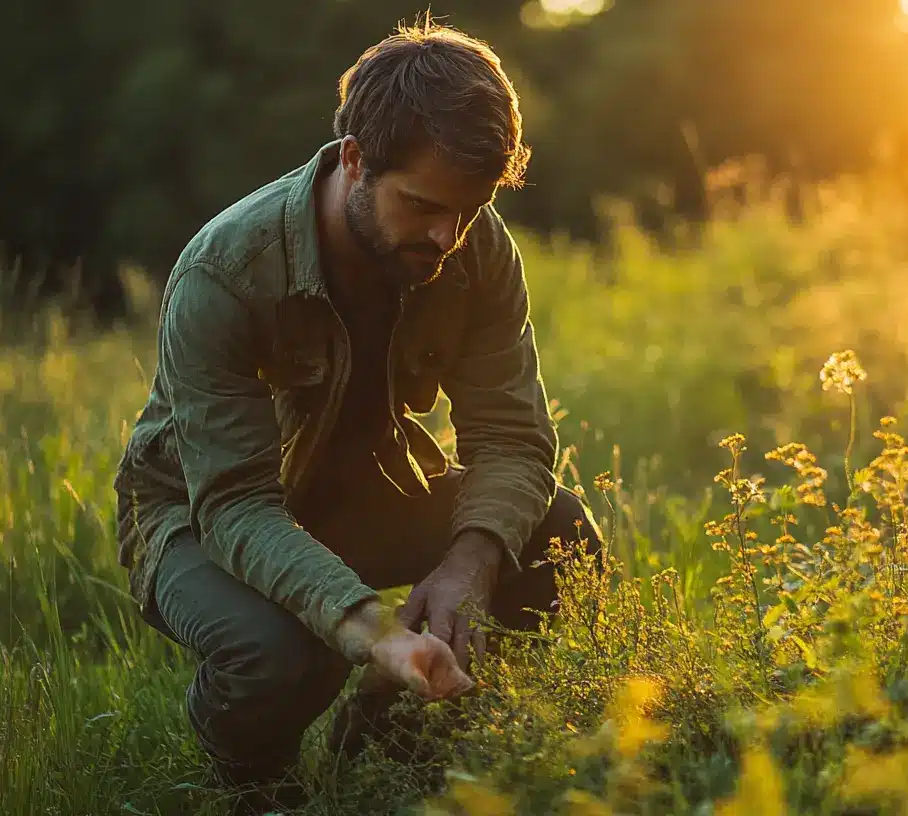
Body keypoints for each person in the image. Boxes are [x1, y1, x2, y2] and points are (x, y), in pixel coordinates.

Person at [111, 20, 601, 813]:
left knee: (559, 536)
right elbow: (235, 503)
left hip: (359, 493)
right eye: (423, 205)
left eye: (471, 209)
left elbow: (511, 438)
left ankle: (399, 746)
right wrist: (368, 625)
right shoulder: (224, 272)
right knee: (283, 652)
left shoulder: (474, 245)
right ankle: (254, 782)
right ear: (354, 162)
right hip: (198, 517)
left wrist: (468, 565)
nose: (448, 236)